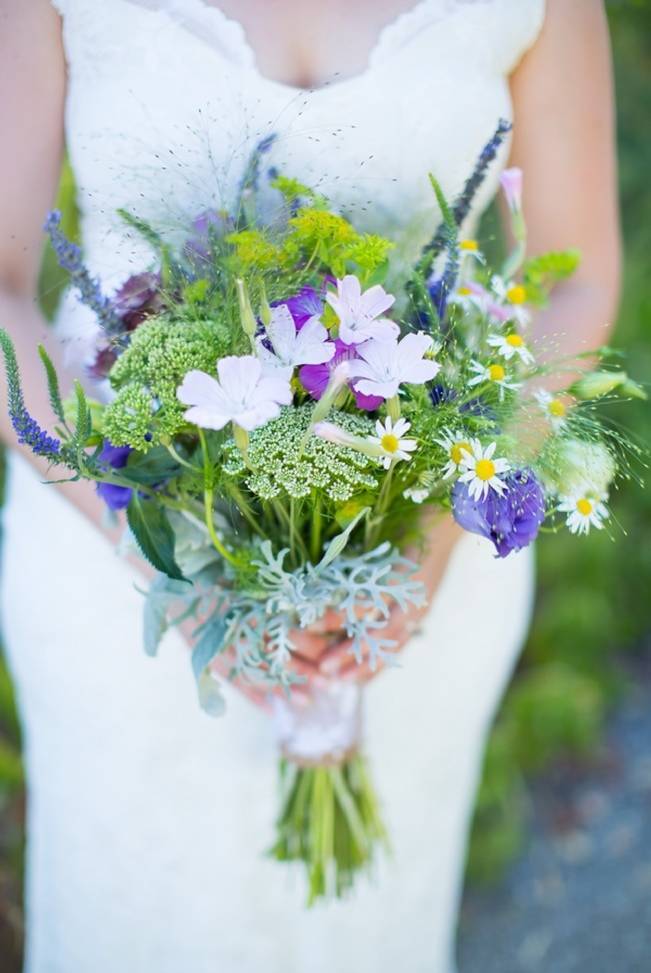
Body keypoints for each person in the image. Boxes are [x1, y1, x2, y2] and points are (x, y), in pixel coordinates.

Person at [0, 2, 620, 971]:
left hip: (420, 545)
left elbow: (578, 281)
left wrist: (426, 545)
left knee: (373, 924)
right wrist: (167, 551)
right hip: (112, 557)